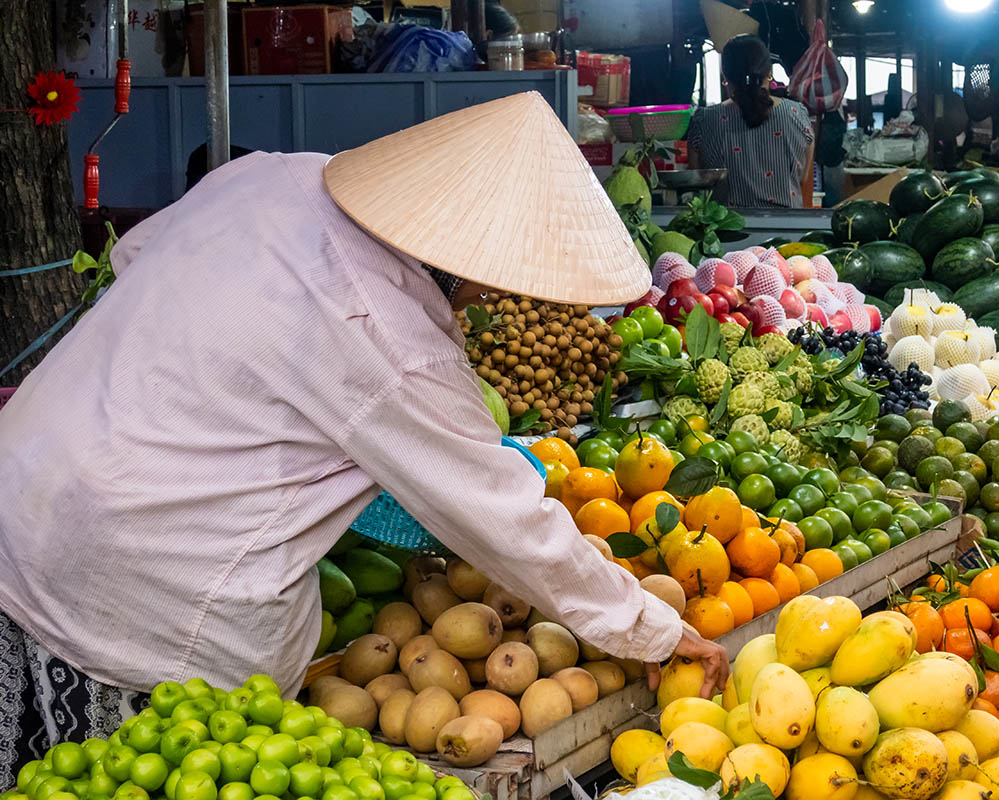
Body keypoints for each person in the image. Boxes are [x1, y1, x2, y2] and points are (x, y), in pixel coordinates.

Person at [0, 92, 728, 785]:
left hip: (22, 485)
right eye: (494, 284)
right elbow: (505, 516)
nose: (490, 301)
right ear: (470, 263)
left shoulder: (266, 178)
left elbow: (136, 261)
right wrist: (650, 629)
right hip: (131, 590)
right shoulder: (391, 333)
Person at [687, 34, 814, 208]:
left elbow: (697, 183)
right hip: (787, 229)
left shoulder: (704, 120)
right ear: (768, 73)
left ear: (726, 76)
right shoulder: (796, 114)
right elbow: (804, 177)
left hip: (724, 230)